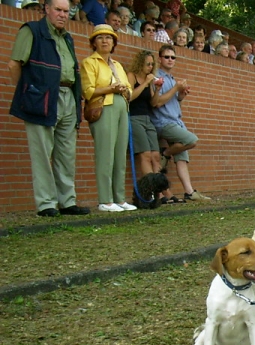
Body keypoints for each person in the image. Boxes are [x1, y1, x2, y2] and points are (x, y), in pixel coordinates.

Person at [9, 0, 91, 218]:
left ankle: (67, 201)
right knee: (42, 153)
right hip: (42, 98)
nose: (63, 15)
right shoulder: (32, 30)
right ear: (46, 9)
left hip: (68, 97)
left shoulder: (68, 38)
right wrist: (27, 95)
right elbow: (14, 64)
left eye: (66, 11)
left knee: (66, 153)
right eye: (58, 10)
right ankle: (46, 203)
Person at [81, 24, 137, 212]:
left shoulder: (118, 65)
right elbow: (88, 91)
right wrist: (111, 89)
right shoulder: (90, 62)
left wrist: (125, 91)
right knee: (105, 154)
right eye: (100, 37)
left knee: (120, 153)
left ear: (114, 43)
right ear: (93, 42)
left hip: (122, 107)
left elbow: (129, 88)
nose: (105, 40)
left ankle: (119, 198)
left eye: (109, 38)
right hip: (104, 107)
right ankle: (105, 199)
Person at [151, 45, 211, 202]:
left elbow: (173, 102)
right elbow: (157, 103)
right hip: (163, 121)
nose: (170, 60)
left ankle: (189, 192)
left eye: (173, 57)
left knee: (182, 156)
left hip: (176, 120)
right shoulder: (156, 77)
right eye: (167, 57)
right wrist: (177, 87)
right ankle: (165, 154)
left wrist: (181, 95)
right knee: (191, 140)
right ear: (159, 59)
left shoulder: (172, 79)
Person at [127, 50, 181, 204]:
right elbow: (130, 97)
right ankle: (155, 192)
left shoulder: (150, 80)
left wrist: (156, 89)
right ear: (140, 64)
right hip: (134, 118)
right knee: (145, 155)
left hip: (147, 118)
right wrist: (145, 82)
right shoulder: (132, 76)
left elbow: (153, 103)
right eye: (147, 64)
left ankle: (166, 192)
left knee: (156, 156)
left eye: (152, 64)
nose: (150, 67)